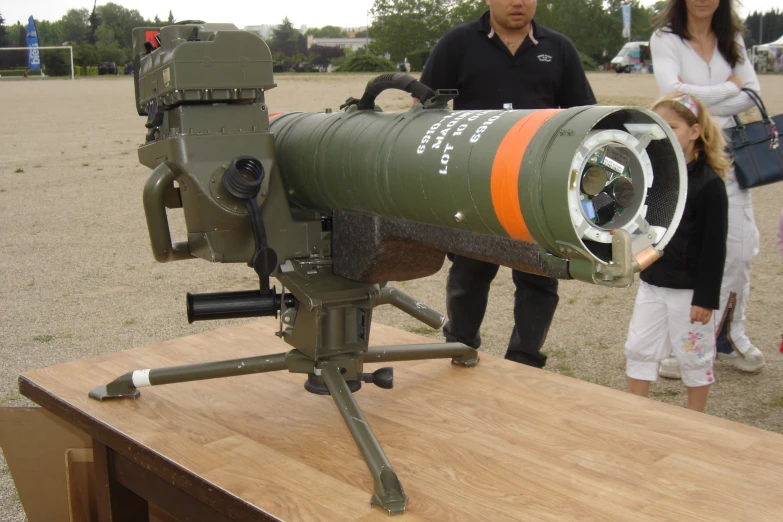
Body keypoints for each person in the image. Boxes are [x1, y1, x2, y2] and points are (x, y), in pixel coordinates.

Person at [417, 0, 596, 368]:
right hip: (473, 181)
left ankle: (524, 358)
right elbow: (425, 111)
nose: (518, 2)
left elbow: (583, 114)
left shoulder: (558, 48)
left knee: (539, 277)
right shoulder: (457, 43)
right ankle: (460, 346)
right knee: (469, 272)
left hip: (536, 183)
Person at [650, 0, 765, 378]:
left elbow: (751, 92)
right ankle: (679, 343)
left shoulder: (733, 39)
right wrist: (728, 87)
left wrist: (698, 94)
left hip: (730, 152)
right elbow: (671, 93)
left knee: (741, 246)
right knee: (686, 246)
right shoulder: (665, 39)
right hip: (687, 153)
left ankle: (728, 334)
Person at [625, 93, 729, 412]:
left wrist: (706, 298)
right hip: (653, 283)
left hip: (689, 292)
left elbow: (715, 247)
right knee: (639, 349)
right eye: (658, 126)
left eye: (672, 126)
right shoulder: (652, 174)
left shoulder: (710, 185)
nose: (664, 133)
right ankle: (632, 414)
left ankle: (694, 420)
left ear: (694, 132)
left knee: (693, 357)